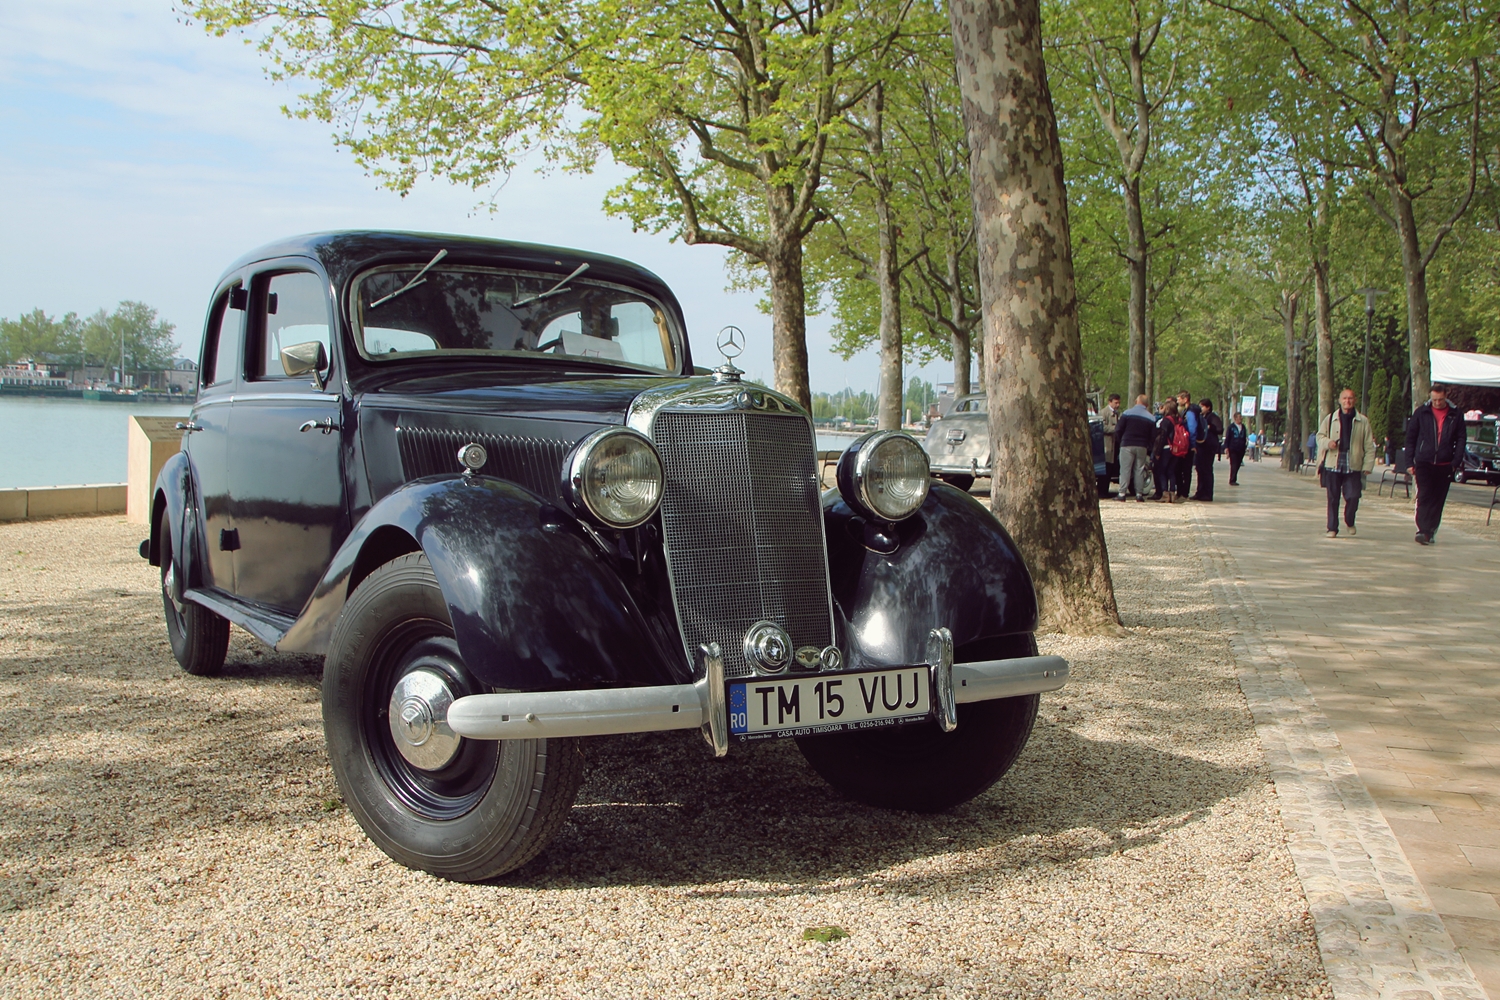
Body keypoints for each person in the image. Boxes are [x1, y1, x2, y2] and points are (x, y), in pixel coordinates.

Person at [1404, 383, 1467, 545]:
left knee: (1437, 499)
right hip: (1424, 462)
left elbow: (1461, 439)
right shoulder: (1422, 413)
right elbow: (1411, 437)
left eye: (1440, 400)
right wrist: (1409, 461)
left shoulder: (1456, 415)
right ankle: (1422, 530)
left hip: (1445, 463)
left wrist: (1455, 461)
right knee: (1424, 495)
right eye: (1434, 400)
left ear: (1446, 396)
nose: (1437, 403)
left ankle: (1430, 530)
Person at [1316, 388, 1376, 538]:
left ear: (1354, 400)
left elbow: (1369, 445)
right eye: (1344, 398)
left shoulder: (1363, 421)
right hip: (1333, 462)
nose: (1347, 401)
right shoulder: (1330, 419)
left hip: (1353, 462)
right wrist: (1328, 443)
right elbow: (1319, 437)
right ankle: (1332, 528)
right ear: (1340, 400)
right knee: (1333, 497)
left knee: (1353, 496)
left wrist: (1368, 465)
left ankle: (1349, 520)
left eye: (1350, 398)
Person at [1113, 394, 1155, 502]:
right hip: (1142, 445)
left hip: (1127, 444)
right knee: (1139, 469)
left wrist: (1120, 440)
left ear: (1137, 401)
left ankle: (1122, 494)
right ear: (1147, 404)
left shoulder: (1127, 413)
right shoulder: (1151, 417)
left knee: (1125, 469)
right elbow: (1153, 435)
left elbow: (1118, 429)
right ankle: (1139, 494)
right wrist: (1148, 446)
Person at [1192, 398, 1223, 501]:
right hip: (1201, 446)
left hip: (1209, 447)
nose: (1201, 408)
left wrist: (1210, 427)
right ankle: (1200, 492)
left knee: (1207, 470)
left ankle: (1208, 493)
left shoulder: (1213, 417)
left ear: (1208, 407)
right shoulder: (1201, 417)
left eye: (1202, 406)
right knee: (1199, 469)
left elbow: (1219, 429)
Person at [1175, 391, 1199, 501]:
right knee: (1180, 469)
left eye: (1179, 399)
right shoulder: (1186, 411)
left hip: (1187, 445)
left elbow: (1192, 428)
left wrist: (1192, 444)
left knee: (1185, 469)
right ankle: (1181, 491)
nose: (1177, 401)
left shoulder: (1190, 412)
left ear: (1185, 400)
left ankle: (1184, 492)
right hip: (1184, 444)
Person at [1101, 393, 1122, 486]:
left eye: (1119, 403)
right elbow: (1102, 427)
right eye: (1116, 403)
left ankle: (1106, 489)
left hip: (1115, 443)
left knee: (1111, 467)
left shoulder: (1118, 413)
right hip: (1107, 444)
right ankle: (1102, 489)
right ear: (1110, 402)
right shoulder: (1104, 412)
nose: (1118, 405)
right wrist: (1115, 428)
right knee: (1106, 467)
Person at [1225, 412, 1248, 485]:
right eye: (1239, 417)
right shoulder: (1231, 427)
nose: (1240, 418)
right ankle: (1232, 480)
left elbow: (1244, 437)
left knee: (1238, 464)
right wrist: (1226, 447)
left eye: (1241, 417)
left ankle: (1234, 477)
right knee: (1234, 464)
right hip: (1233, 448)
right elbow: (1228, 438)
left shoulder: (1243, 427)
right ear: (1235, 418)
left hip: (1241, 448)